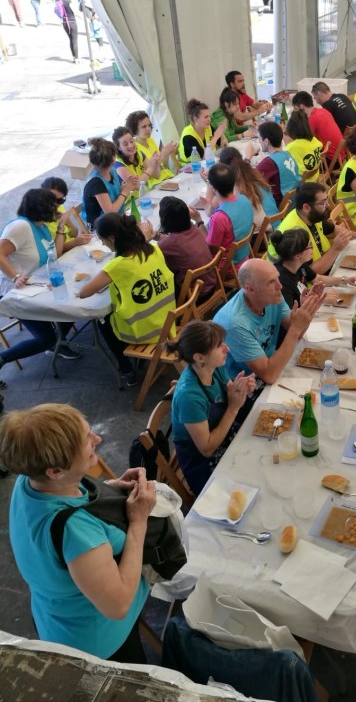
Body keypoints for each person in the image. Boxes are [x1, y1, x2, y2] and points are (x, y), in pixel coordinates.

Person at [0, 404, 155, 662]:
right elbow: (117, 606)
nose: (98, 439)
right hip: (98, 643)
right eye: (86, 441)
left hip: (55, 618)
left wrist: (110, 490)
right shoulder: (75, 530)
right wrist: (139, 522)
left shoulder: (29, 481)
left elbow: (69, 499)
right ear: (55, 471)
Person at [79, 213, 176, 385]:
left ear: (112, 238)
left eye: (102, 240)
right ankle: (132, 365)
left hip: (143, 332)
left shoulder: (117, 265)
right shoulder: (153, 249)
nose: (102, 244)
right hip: (167, 323)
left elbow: (84, 293)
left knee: (103, 321)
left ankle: (126, 369)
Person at [168, 322, 256, 495]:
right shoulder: (189, 396)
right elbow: (207, 449)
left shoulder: (214, 368)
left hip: (223, 437)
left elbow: (231, 395)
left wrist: (241, 390)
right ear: (200, 357)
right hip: (201, 461)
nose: (227, 348)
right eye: (219, 346)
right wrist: (233, 408)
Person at [0, 190, 80, 381]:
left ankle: (58, 342)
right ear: (42, 207)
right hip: (16, 292)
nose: (58, 207)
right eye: (54, 204)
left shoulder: (41, 226)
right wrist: (15, 276)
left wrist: (61, 227)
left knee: (70, 307)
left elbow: (54, 255)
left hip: (37, 285)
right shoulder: (20, 226)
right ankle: (3, 358)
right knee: (46, 338)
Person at [212, 258, 323, 391]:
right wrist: (296, 328)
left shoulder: (272, 296)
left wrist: (308, 310)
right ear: (250, 289)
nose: (280, 286)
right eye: (271, 282)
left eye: (277, 278)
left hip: (268, 366)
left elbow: (297, 333)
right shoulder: (235, 323)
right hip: (239, 388)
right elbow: (269, 376)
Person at [268, 182, 356, 275]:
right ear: (306, 207)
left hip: (324, 270)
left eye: (327, 200)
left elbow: (333, 229)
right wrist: (335, 249)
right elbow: (311, 273)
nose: (328, 205)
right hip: (302, 283)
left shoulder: (309, 215)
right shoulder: (295, 233)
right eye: (323, 203)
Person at [269, 227, 356, 308]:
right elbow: (290, 315)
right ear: (298, 255)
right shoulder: (281, 281)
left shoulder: (299, 264)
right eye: (309, 246)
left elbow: (317, 279)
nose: (312, 248)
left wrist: (345, 280)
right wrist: (319, 300)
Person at [156, 197, 216, 301]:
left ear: (164, 220)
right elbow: (173, 240)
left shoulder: (168, 244)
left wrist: (147, 238)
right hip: (212, 285)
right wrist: (156, 236)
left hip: (194, 295)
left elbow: (151, 252)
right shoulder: (193, 228)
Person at [205, 163, 254, 268]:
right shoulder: (244, 199)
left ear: (213, 187)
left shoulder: (219, 217)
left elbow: (210, 249)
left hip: (228, 266)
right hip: (245, 256)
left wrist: (199, 222)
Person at [218, 146, 278, 230]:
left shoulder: (234, 186)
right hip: (275, 222)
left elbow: (212, 210)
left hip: (263, 231)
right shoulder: (254, 174)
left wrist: (211, 180)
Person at [82, 138, 137, 228]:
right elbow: (110, 212)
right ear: (113, 159)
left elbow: (115, 197)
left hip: (117, 218)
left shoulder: (112, 171)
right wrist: (124, 192)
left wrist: (124, 188)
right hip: (101, 227)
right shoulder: (96, 182)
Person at [125, 110, 176, 186]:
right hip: (153, 184)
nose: (148, 129)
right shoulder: (134, 148)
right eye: (144, 127)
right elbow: (153, 172)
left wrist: (168, 152)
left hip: (166, 177)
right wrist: (163, 154)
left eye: (149, 125)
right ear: (135, 129)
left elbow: (161, 163)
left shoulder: (150, 140)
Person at [41, 176, 93, 253]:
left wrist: (68, 222)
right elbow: (53, 252)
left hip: (74, 251)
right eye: (51, 198)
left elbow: (75, 234)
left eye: (60, 200)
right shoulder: (39, 221)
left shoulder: (59, 208)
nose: (55, 204)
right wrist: (75, 242)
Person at [255, 121, 300, 207]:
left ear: (266, 141)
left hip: (280, 206)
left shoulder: (269, 163)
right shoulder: (287, 154)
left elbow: (247, 178)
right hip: (294, 201)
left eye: (259, 139)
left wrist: (247, 157)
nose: (259, 142)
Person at [291, 91, 344, 161]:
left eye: (295, 109)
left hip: (331, 158)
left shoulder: (312, 118)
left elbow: (304, 141)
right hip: (340, 154)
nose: (295, 112)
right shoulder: (323, 111)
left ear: (301, 106)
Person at [179, 98, 226, 165]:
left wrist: (221, 132)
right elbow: (203, 156)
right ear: (196, 119)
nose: (209, 120)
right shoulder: (188, 136)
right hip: (191, 167)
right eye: (206, 117)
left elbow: (223, 145)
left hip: (207, 163)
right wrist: (215, 137)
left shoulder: (207, 127)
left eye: (209, 116)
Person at [284, 110, 323, 182]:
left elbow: (283, 154)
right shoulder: (315, 140)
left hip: (302, 184)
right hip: (315, 179)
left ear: (291, 129)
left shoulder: (292, 147)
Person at [112, 126, 148, 191]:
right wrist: (150, 170)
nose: (130, 146)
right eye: (125, 144)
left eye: (131, 141)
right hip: (130, 197)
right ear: (119, 147)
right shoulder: (118, 164)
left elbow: (156, 175)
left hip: (144, 192)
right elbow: (137, 186)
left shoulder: (139, 153)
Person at [55, 0, 79, 64]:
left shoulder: (61, 1)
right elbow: (76, 12)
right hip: (72, 22)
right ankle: (77, 58)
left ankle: (74, 57)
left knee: (71, 40)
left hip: (65, 22)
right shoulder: (70, 1)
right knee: (74, 40)